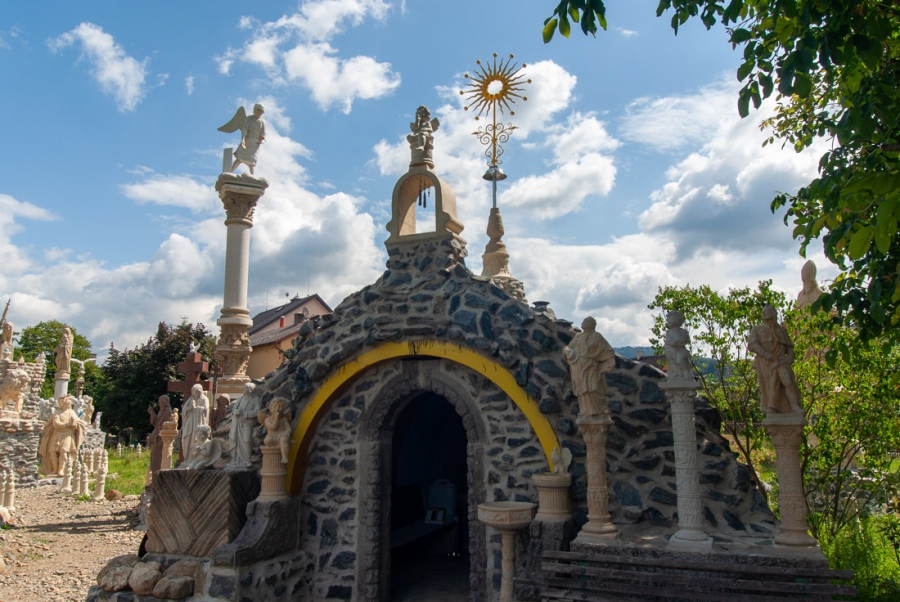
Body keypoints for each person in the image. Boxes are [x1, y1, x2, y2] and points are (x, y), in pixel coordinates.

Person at [748, 305, 804, 414]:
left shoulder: (781, 330)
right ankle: (774, 407)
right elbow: (752, 345)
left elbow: (789, 347)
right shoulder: (757, 329)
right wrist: (766, 354)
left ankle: (794, 406)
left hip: (781, 361)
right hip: (767, 363)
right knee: (772, 386)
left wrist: (790, 356)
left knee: (787, 381)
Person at [563, 316, 616, 417]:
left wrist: (610, 363)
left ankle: (600, 410)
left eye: (585, 321)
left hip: (591, 365)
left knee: (594, 387)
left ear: (591, 324)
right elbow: (569, 347)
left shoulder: (597, 336)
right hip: (577, 365)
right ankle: (585, 411)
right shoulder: (578, 336)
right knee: (581, 389)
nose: (582, 323)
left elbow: (608, 350)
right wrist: (567, 351)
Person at [38, 395, 85, 476]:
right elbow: (56, 424)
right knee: (52, 451)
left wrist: (75, 424)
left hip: (67, 435)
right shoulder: (57, 412)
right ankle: (54, 469)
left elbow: (77, 422)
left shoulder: (71, 412)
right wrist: (67, 424)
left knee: (64, 451)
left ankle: (61, 470)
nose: (66, 404)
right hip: (57, 434)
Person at [228, 383, 258, 469]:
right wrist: (235, 412)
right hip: (237, 422)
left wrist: (244, 413)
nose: (243, 389)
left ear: (250, 390)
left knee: (247, 440)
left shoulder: (255, 399)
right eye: (243, 388)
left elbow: (257, 412)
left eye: (245, 388)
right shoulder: (241, 398)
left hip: (246, 423)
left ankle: (247, 460)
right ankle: (235, 460)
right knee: (235, 440)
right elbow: (234, 410)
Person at [180, 384, 209, 464]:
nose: (194, 393)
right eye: (193, 391)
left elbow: (206, 410)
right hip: (190, 423)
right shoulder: (191, 399)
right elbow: (184, 410)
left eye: (196, 391)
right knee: (187, 438)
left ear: (200, 391)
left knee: (195, 439)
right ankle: (187, 458)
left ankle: (194, 459)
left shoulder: (204, 399)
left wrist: (197, 408)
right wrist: (191, 408)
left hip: (198, 422)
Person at [258, 397, 292, 463]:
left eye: (280, 406)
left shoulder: (284, 419)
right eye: (275, 406)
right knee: (267, 441)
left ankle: (284, 457)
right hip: (272, 436)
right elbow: (273, 428)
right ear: (270, 409)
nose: (277, 409)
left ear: (283, 409)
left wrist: (288, 431)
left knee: (284, 439)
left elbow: (288, 428)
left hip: (281, 435)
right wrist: (276, 419)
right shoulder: (268, 420)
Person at [148, 395, 174, 473]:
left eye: (160, 401)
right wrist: (152, 413)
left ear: (164, 402)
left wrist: (162, 437)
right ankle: (154, 474)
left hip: (162, 437)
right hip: (156, 437)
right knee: (154, 457)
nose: (159, 403)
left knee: (159, 457)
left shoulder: (168, 412)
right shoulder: (160, 411)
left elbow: (165, 426)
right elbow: (157, 423)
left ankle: (158, 475)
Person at [664, 310, 693, 379]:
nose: (668, 321)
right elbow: (668, 340)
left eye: (670, 319)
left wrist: (678, 342)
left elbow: (685, 340)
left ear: (678, 320)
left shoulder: (683, 331)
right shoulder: (668, 332)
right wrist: (674, 342)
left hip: (680, 350)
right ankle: (676, 373)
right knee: (672, 362)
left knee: (680, 360)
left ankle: (686, 372)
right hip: (670, 350)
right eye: (668, 319)